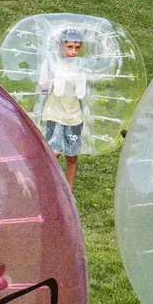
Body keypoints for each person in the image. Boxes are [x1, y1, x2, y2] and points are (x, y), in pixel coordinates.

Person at [38, 29, 89, 186]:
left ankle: (69, 191)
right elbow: (42, 89)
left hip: (74, 116)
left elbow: (83, 94)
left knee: (72, 156)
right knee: (54, 152)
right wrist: (50, 82)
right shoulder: (50, 64)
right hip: (54, 113)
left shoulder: (81, 67)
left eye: (77, 48)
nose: (73, 52)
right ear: (61, 46)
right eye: (70, 47)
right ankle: (47, 185)